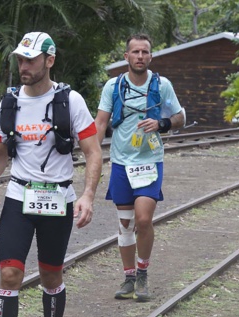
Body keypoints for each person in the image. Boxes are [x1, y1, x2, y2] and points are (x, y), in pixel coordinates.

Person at [0, 31, 102, 317]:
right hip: (19, 196)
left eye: (30, 60)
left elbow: (93, 152)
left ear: (49, 60)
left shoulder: (71, 101)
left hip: (57, 199)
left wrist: (88, 194)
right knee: (10, 273)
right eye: (20, 59)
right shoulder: (10, 102)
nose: (23, 66)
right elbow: (0, 152)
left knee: (50, 274)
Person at [95, 33, 184, 301]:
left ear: (151, 56)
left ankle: (143, 274)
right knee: (125, 224)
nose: (140, 57)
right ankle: (129, 277)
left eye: (145, 52)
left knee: (143, 220)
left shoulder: (162, 84)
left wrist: (162, 124)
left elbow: (179, 116)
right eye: (135, 52)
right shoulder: (113, 86)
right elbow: (100, 123)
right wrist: (93, 155)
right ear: (126, 56)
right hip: (122, 163)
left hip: (149, 162)